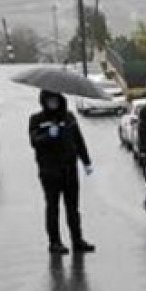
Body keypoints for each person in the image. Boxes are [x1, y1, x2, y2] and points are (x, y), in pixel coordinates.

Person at [29, 90, 95, 255]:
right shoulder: (37, 120)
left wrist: (86, 161)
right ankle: (55, 242)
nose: (53, 103)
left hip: (69, 169)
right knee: (53, 207)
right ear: (44, 101)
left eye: (55, 100)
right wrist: (48, 136)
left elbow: (78, 140)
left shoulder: (69, 117)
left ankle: (77, 239)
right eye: (50, 100)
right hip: (49, 171)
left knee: (73, 207)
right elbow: (34, 141)